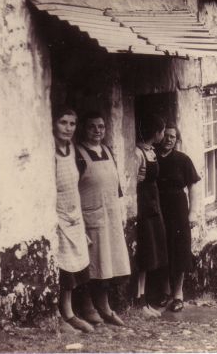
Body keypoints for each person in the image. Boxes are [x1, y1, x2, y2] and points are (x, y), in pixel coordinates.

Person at [76, 112, 131, 326]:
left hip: (110, 217)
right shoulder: (79, 154)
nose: (98, 131)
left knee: (109, 264)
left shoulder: (108, 151)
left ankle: (105, 306)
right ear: (84, 129)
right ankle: (88, 306)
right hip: (90, 218)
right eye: (92, 127)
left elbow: (115, 188)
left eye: (101, 127)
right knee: (92, 265)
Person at [53, 107, 94, 334]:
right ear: (53, 124)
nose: (68, 128)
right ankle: (62, 315)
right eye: (63, 122)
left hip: (74, 214)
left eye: (72, 123)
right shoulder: (50, 151)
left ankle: (70, 313)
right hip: (57, 214)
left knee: (75, 265)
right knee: (63, 267)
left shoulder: (71, 149)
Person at [156, 125, 201, 312]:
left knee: (180, 250)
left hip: (179, 209)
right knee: (163, 248)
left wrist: (193, 212)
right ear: (160, 136)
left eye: (173, 137)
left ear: (177, 139)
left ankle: (178, 294)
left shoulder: (182, 160)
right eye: (166, 135)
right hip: (158, 208)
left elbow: (193, 187)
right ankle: (165, 292)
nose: (169, 139)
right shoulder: (153, 158)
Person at [135, 114, 168, 318]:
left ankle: (145, 298)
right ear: (156, 133)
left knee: (154, 253)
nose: (163, 135)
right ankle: (140, 301)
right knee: (146, 255)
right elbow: (136, 183)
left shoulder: (151, 151)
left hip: (154, 206)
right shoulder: (139, 153)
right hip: (144, 207)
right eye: (162, 131)